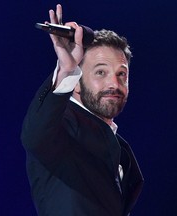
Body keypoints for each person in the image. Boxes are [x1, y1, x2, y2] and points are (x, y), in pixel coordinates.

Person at [21, 4, 144, 216]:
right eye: (100, 72)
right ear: (76, 82)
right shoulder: (63, 126)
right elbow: (35, 136)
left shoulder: (119, 147)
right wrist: (66, 69)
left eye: (121, 74)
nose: (113, 83)